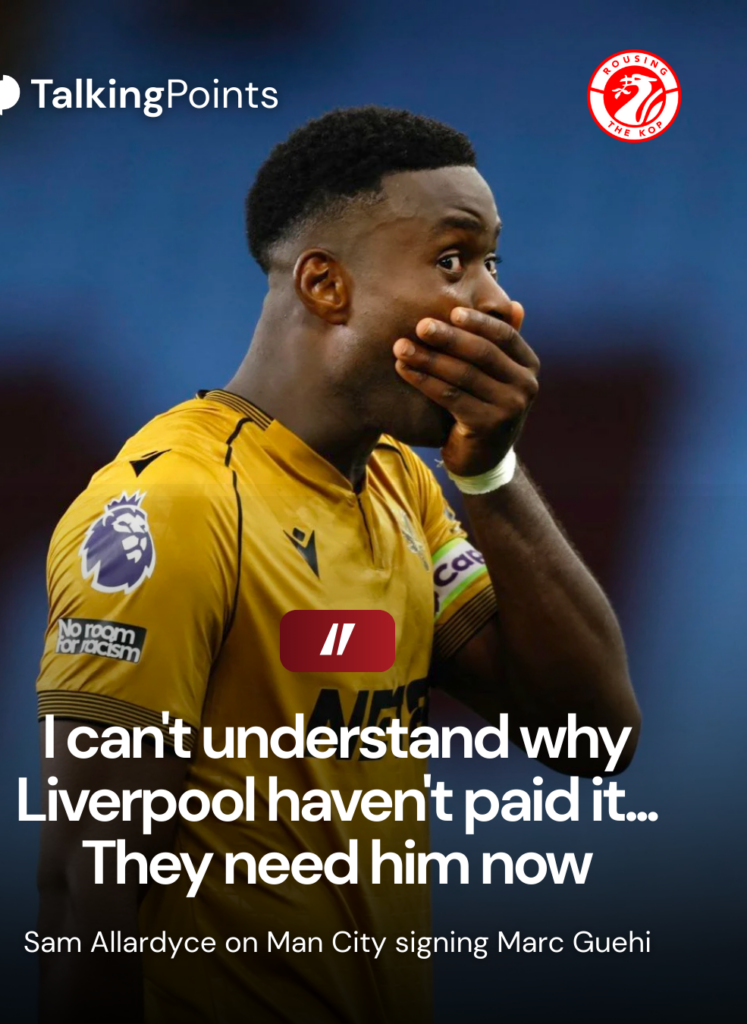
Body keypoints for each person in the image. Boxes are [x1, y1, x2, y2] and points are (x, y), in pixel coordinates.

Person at [36, 106, 640, 1024]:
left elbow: (593, 736)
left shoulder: (403, 488)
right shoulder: (180, 507)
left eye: (492, 263)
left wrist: (488, 472)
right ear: (325, 284)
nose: (494, 303)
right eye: (452, 260)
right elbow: (85, 894)